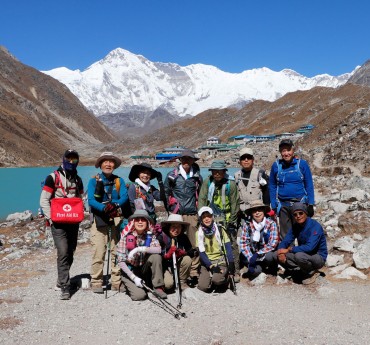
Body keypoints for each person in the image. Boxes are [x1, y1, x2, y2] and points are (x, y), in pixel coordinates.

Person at [40, 149, 84, 300]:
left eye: (74, 159)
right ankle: (65, 287)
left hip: (73, 222)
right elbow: (44, 200)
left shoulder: (78, 180)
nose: (71, 162)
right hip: (57, 223)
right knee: (63, 251)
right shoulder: (52, 178)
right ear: (64, 159)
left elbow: (80, 198)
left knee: (71, 251)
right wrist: (50, 218)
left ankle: (60, 279)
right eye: (69, 159)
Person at [87, 152, 128, 293]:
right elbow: (91, 200)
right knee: (99, 251)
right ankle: (96, 281)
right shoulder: (93, 181)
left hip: (115, 220)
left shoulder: (119, 181)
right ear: (100, 164)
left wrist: (115, 205)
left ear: (114, 165)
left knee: (116, 251)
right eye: (105, 162)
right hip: (99, 220)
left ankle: (116, 281)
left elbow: (124, 197)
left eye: (111, 162)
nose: (108, 164)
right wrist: (104, 208)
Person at [198, 159, 241, 282]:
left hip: (227, 218)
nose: (217, 174)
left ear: (224, 172)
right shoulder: (207, 183)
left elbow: (235, 203)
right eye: (214, 171)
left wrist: (232, 221)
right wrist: (202, 217)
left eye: (220, 172)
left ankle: (235, 270)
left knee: (231, 244)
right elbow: (202, 200)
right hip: (210, 218)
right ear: (211, 172)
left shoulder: (230, 184)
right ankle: (211, 267)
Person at [164, 149, 203, 285]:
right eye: (184, 159)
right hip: (177, 214)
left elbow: (200, 193)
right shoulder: (171, 176)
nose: (186, 161)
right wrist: (171, 208)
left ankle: (193, 271)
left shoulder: (197, 177)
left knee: (194, 243)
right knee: (175, 241)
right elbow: (166, 192)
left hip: (192, 213)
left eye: (189, 159)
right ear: (180, 160)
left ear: (193, 161)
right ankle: (174, 267)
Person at [269, 139, 315, 240]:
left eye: (288, 150)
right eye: (283, 151)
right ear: (280, 152)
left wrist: (311, 204)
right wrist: (273, 205)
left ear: (293, 150)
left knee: (303, 233)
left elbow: (309, 184)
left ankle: (302, 254)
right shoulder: (276, 166)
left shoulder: (302, 164)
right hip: (283, 206)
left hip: (300, 204)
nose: (286, 153)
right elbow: (272, 185)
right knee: (286, 235)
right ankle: (288, 255)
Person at [271, 202, 327, 284]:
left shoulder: (315, 226)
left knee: (299, 256)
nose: (298, 216)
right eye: (295, 214)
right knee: (276, 254)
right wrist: (280, 252)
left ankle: (312, 272)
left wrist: (288, 250)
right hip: (304, 254)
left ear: (306, 213)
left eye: (301, 213)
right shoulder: (296, 226)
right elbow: (286, 241)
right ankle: (299, 271)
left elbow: (310, 247)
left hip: (318, 256)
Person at [116, 210, 166, 300]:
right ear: (133, 222)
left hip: (144, 269)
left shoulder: (150, 236)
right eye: (137, 219)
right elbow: (120, 261)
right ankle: (126, 282)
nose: (140, 222)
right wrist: (133, 277)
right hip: (131, 271)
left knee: (156, 257)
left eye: (143, 220)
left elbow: (158, 249)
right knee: (140, 296)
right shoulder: (126, 236)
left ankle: (158, 287)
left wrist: (139, 249)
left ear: (147, 222)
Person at [196, 207, 235, 292]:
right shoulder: (198, 234)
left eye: (209, 216)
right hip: (207, 263)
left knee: (217, 280)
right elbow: (202, 253)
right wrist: (211, 266)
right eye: (204, 217)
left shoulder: (220, 230)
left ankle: (225, 278)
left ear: (212, 217)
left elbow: (228, 248)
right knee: (202, 287)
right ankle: (212, 277)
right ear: (201, 219)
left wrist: (231, 263)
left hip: (220, 261)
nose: (207, 219)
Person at [239, 200, 279, 279]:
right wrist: (251, 258)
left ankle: (271, 267)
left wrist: (258, 254)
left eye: (259, 210)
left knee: (270, 256)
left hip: (265, 254)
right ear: (251, 213)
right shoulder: (246, 225)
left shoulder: (271, 223)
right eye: (254, 210)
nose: (257, 213)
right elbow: (243, 244)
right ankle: (258, 268)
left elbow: (273, 243)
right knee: (255, 272)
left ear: (264, 211)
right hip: (253, 256)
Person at [158, 214, 195, 291]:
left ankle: (182, 281)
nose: (176, 229)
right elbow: (157, 255)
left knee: (187, 259)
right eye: (173, 226)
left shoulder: (183, 237)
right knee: (168, 285)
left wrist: (183, 253)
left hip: (178, 264)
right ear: (168, 227)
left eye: (179, 227)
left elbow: (191, 252)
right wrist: (167, 255)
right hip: (165, 267)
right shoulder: (162, 237)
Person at [234, 147, 270, 213]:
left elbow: (266, 192)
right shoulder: (236, 176)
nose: (246, 160)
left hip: (257, 211)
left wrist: (267, 209)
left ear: (253, 160)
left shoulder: (260, 174)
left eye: (249, 157)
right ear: (239, 161)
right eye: (243, 158)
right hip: (242, 212)